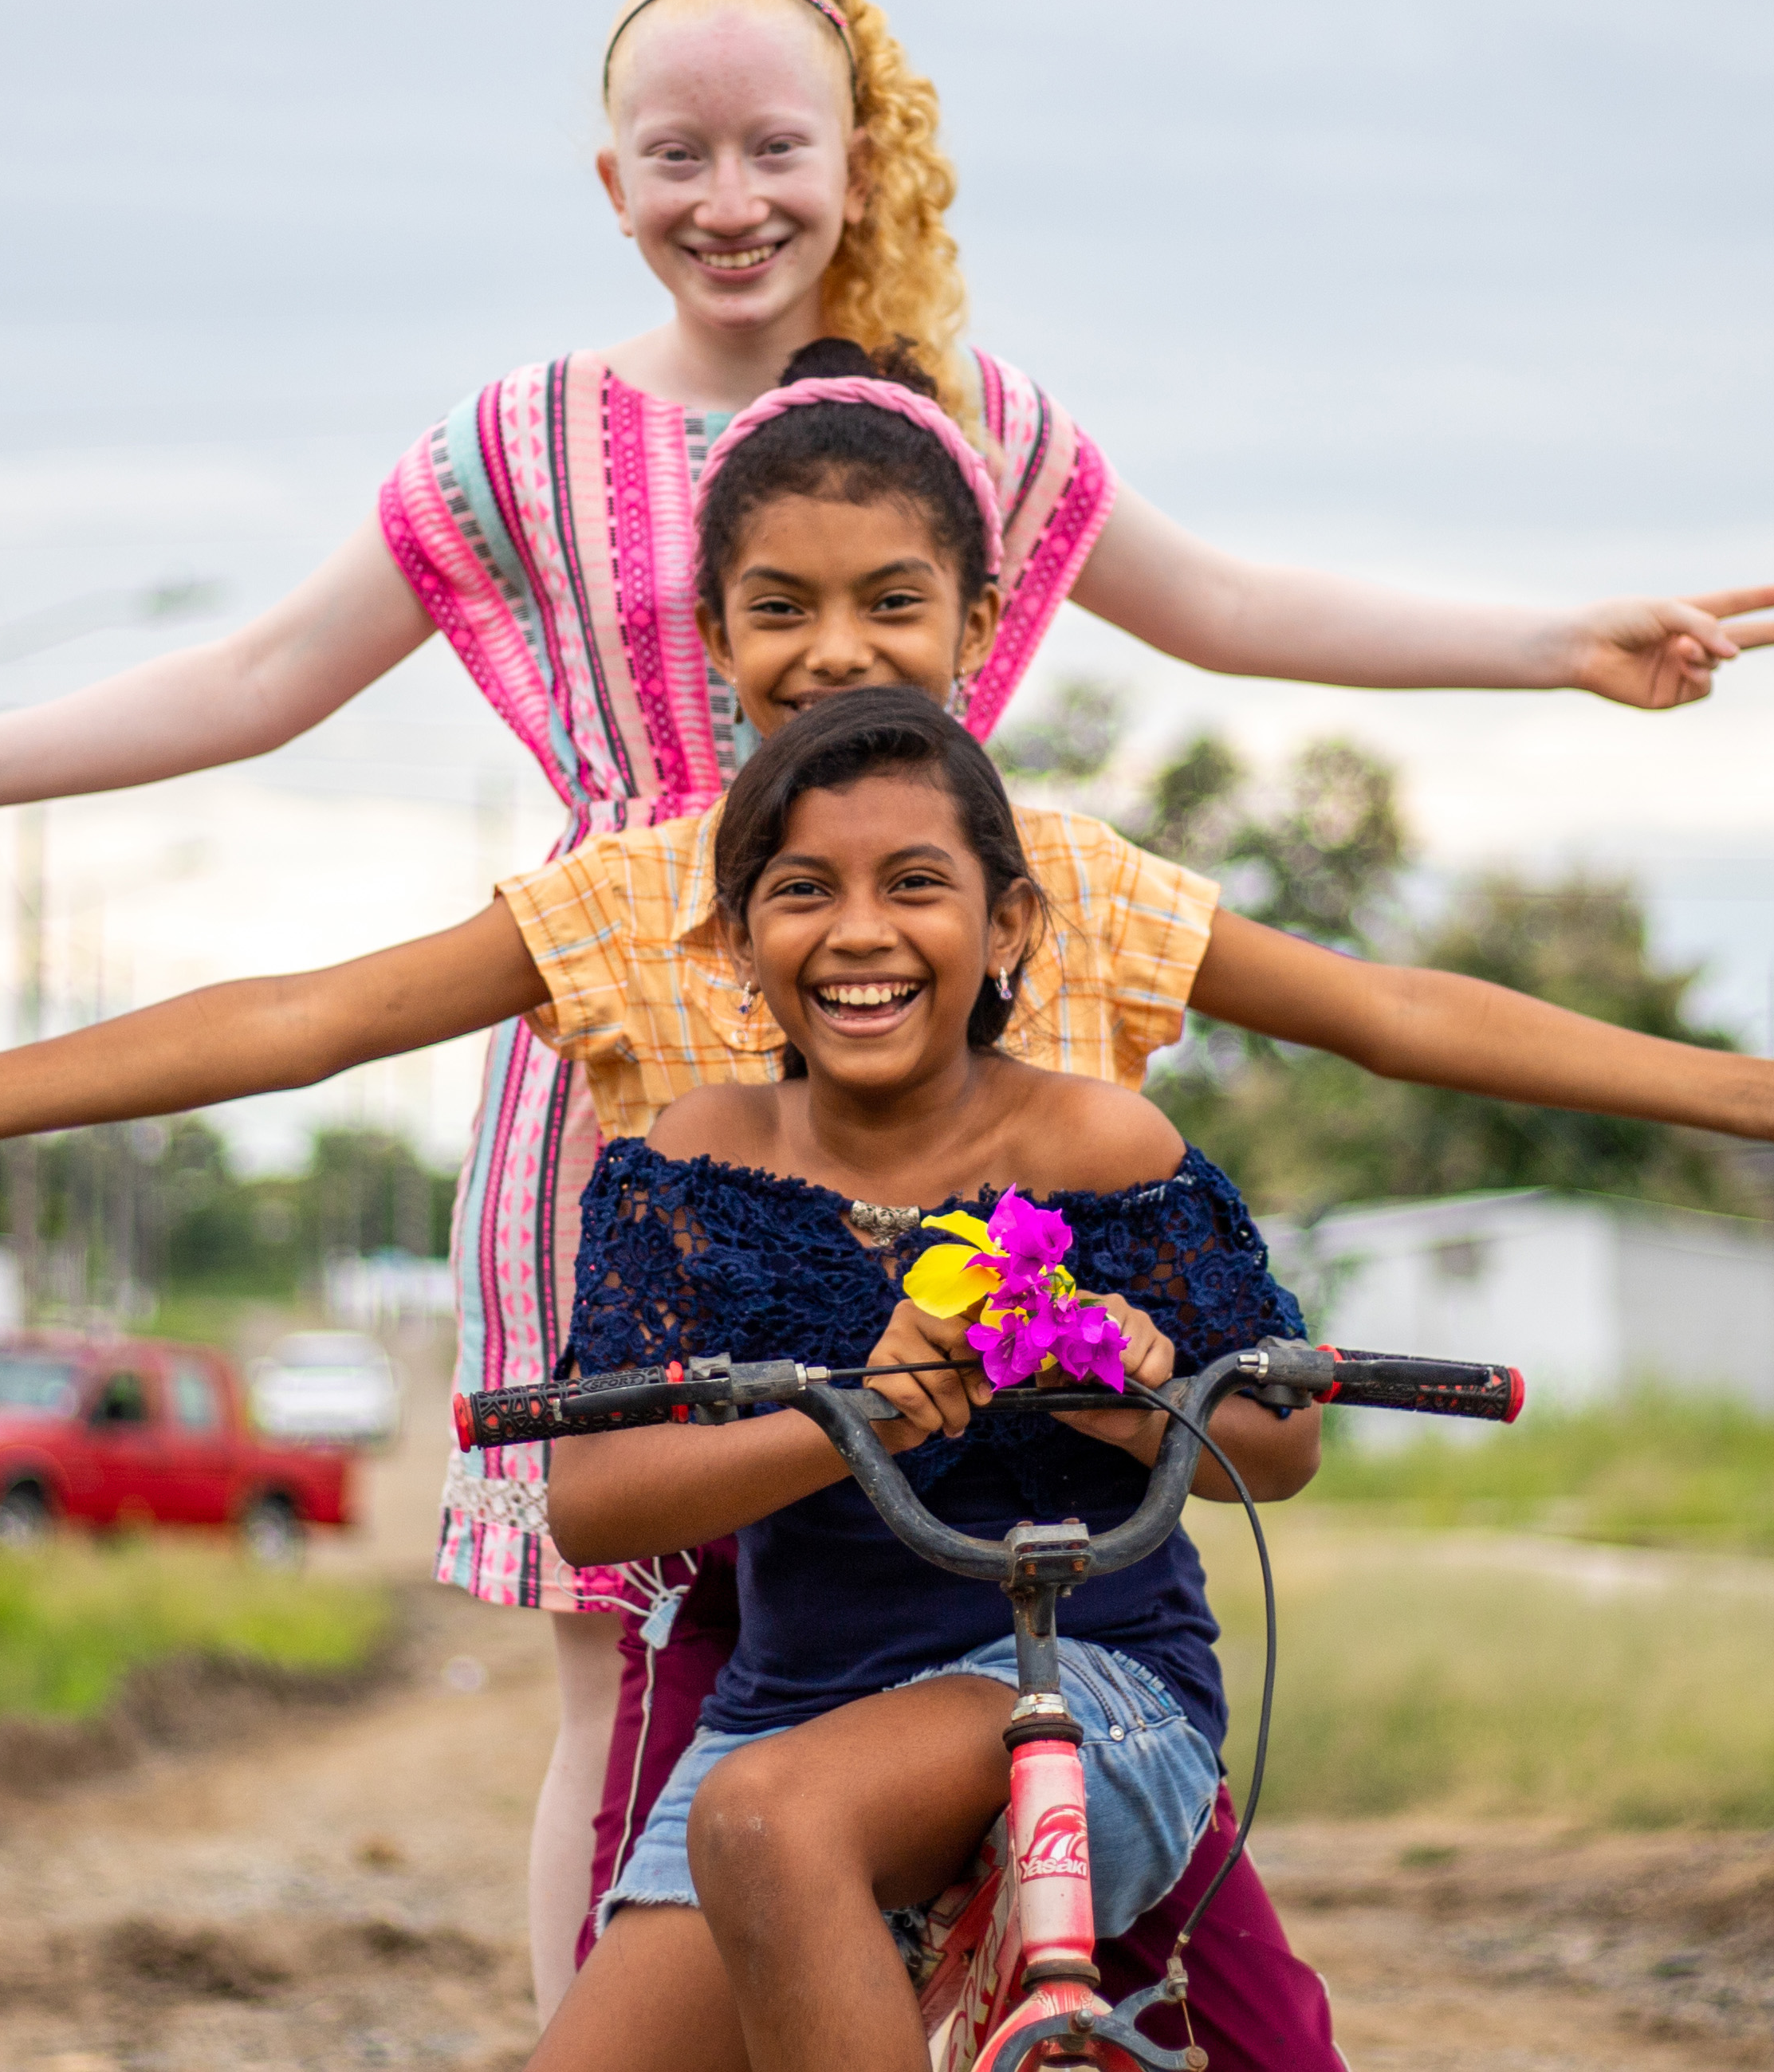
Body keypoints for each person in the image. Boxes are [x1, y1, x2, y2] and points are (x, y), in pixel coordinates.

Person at [0, 0, 1774, 2006]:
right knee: (639, 1658)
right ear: (607, 179)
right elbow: (260, 682)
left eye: (775, 150)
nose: (732, 199)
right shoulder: (514, 443)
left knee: (1049, 1567)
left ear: (861, 156)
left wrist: (1551, 642)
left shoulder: (973, 426)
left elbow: (1236, 602)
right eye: (678, 157)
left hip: (959, 1061)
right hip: (626, 1087)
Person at [535, 684, 1317, 2070]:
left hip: (1083, 1685)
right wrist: (867, 1409)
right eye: (800, 890)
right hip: (790, 1713)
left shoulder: (1099, 1140)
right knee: (753, 1826)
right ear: (735, 941)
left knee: (775, 1819)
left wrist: (1134, 1391)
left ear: (1006, 924)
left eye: (915, 884)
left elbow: (1280, 1444)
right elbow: (592, 1507)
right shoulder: (691, 1166)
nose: (859, 932)